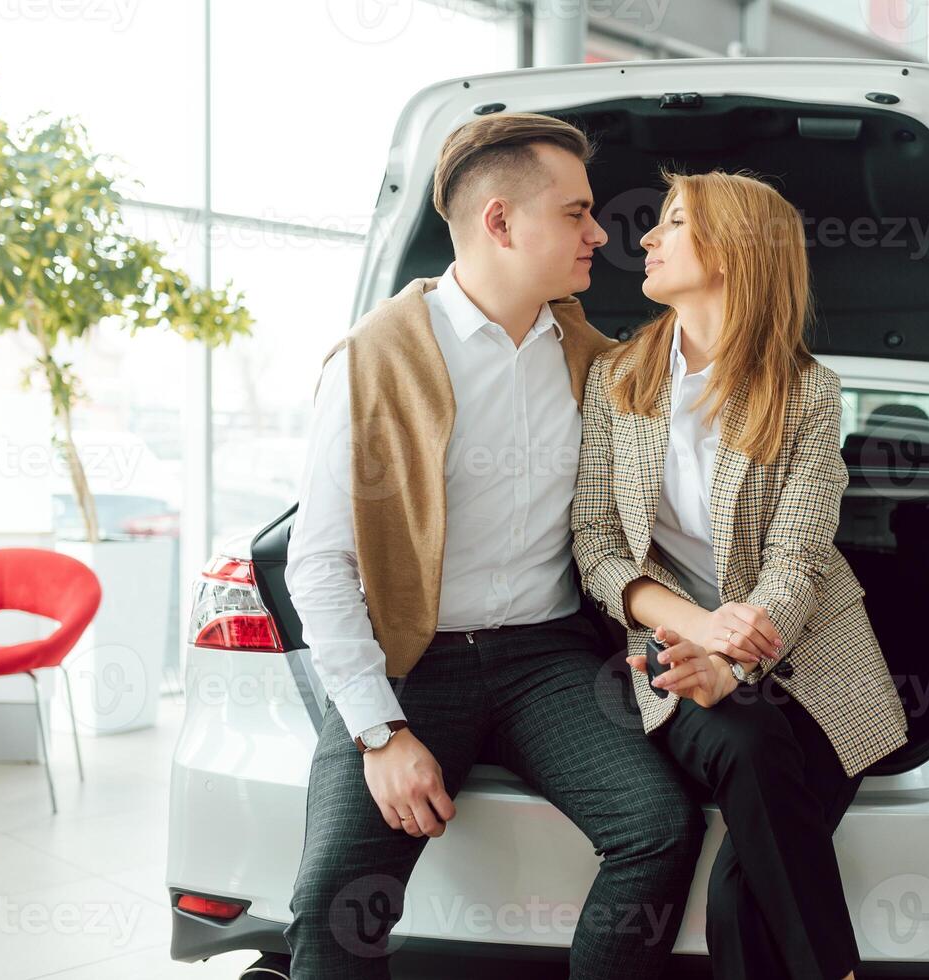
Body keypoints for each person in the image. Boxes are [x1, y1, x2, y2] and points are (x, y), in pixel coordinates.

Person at [283, 112, 704, 980]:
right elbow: (320, 564)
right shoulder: (374, 360)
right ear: (501, 222)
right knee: (331, 905)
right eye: (577, 212)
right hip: (412, 662)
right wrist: (378, 735)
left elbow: (674, 505)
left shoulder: (596, 361)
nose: (601, 233)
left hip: (546, 661)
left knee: (658, 828)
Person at [571, 169, 910, 980]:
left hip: (817, 657)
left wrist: (737, 658)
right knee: (750, 743)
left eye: (672, 223)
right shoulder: (617, 381)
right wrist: (697, 637)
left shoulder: (809, 392)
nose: (644, 239)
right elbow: (595, 544)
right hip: (671, 643)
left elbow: (799, 556)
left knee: (738, 898)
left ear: (731, 250)